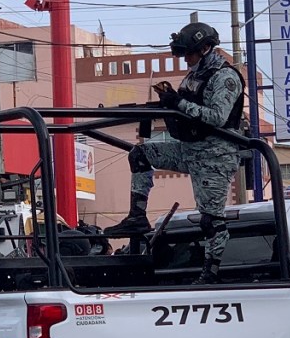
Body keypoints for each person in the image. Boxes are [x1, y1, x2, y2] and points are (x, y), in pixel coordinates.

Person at [103, 22, 244, 284]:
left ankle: (210, 274)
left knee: (211, 221)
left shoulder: (225, 77)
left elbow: (216, 117)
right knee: (140, 154)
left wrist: (177, 103)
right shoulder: (195, 74)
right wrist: (166, 103)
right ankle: (137, 216)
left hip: (215, 155)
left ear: (205, 48)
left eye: (189, 53)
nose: (186, 59)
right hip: (189, 148)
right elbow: (185, 108)